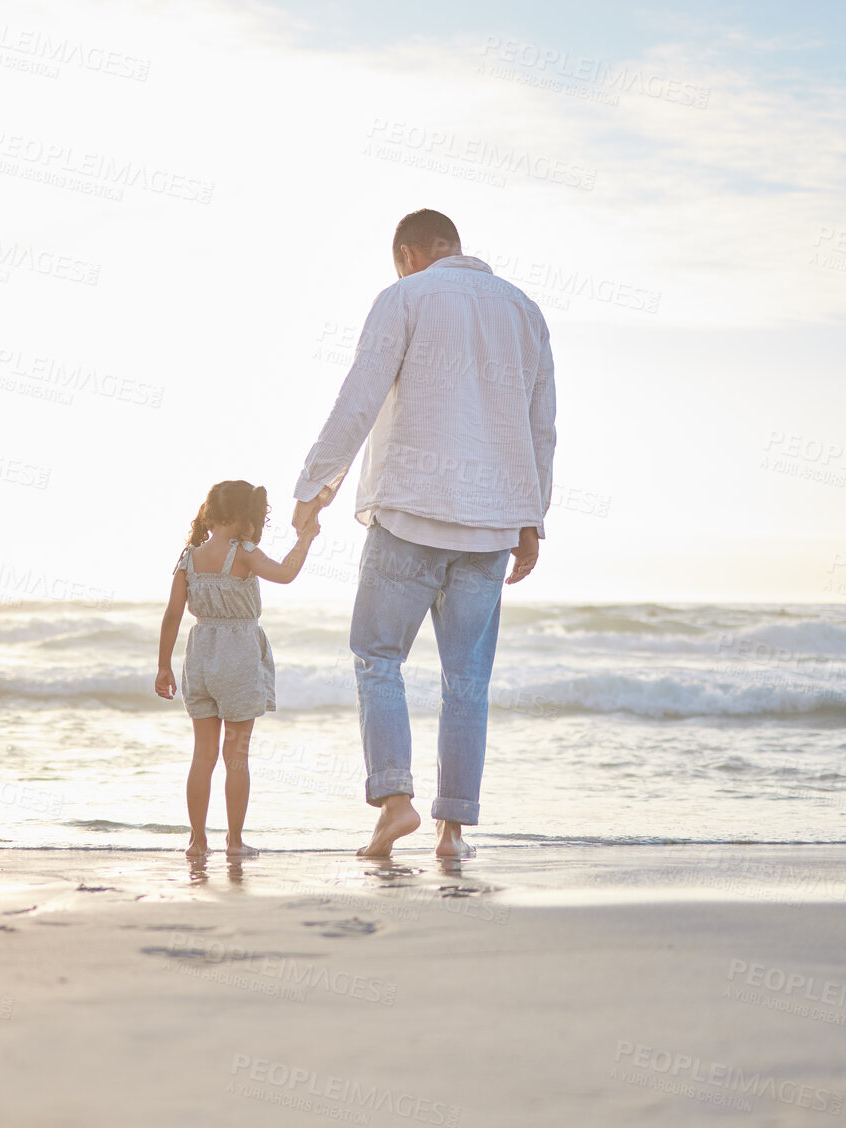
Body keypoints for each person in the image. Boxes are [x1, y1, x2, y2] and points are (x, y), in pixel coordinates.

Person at [290, 209, 556, 858]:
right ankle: (452, 832)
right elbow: (541, 423)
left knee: (379, 658)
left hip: (409, 509)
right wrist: (531, 518)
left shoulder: (403, 296)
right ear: (452, 248)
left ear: (409, 255)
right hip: (491, 524)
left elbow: (360, 394)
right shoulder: (524, 311)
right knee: (466, 680)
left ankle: (395, 802)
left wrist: (313, 488)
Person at [156, 480, 320, 857]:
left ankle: (197, 842)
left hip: (199, 658)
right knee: (236, 757)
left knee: (202, 756)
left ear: (212, 514)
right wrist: (306, 538)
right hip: (239, 659)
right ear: (244, 518)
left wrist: (163, 666)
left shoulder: (188, 558)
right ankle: (233, 841)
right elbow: (285, 573)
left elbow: (171, 616)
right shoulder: (244, 554)